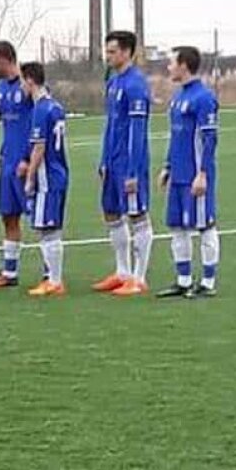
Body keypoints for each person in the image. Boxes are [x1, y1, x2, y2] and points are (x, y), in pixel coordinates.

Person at [93, 30, 153, 297]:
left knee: (137, 214)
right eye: (107, 51)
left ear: (128, 52)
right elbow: (110, 126)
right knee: (111, 212)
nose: (108, 56)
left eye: (113, 51)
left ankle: (139, 278)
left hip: (130, 162)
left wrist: (133, 171)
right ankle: (122, 271)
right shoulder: (114, 82)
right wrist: (104, 159)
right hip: (113, 161)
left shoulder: (136, 84)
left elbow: (137, 132)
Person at [157, 46, 220, 299]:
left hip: (196, 176)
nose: (168, 67)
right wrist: (168, 166)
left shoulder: (203, 98)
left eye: (171, 62)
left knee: (205, 226)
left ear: (184, 65)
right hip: (179, 176)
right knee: (177, 227)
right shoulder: (177, 98)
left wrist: (203, 173)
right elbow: (176, 137)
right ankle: (183, 280)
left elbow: (209, 139)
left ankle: (207, 282)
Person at [0, 41, 34, 290]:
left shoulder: (28, 84)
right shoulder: (0, 86)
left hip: (26, 163)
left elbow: (38, 123)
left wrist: (28, 157)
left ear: (4, 59)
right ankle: (9, 272)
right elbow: (7, 125)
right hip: (8, 161)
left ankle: (50, 274)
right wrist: (3, 153)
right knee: (8, 216)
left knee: (39, 219)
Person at [21, 62, 69, 297]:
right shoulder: (55, 106)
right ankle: (52, 277)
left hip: (47, 177)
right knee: (52, 228)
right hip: (60, 172)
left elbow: (39, 148)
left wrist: (30, 178)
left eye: (22, 81)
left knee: (48, 229)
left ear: (30, 80)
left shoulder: (41, 109)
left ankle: (55, 280)